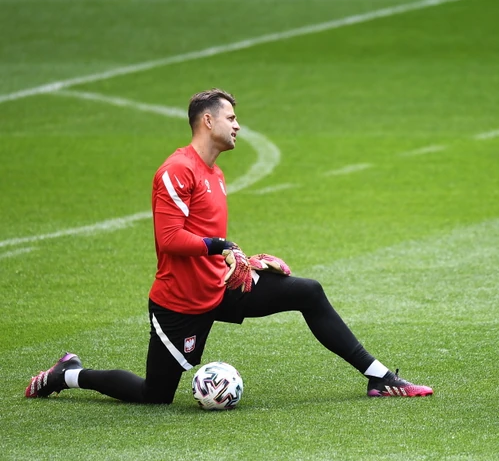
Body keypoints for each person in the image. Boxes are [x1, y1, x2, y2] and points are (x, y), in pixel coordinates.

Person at [25, 88, 433, 403]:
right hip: (180, 301)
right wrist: (222, 245)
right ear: (208, 121)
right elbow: (170, 239)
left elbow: (206, 241)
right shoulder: (176, 171)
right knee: (155, 395)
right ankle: (68, 374)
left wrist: (242, 261)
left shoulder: (215, 174)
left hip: (220, 286)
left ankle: (379, 377)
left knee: (308, 292)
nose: (238, 126)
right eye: (231, 118)